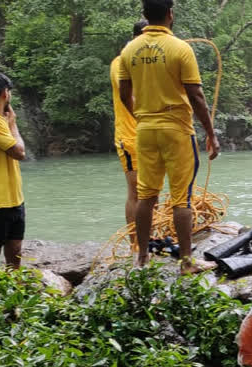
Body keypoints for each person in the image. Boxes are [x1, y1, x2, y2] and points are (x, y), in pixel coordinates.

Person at [118, 0, 220, 273]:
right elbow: (196, 96)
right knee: (181, 199)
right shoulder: (180, 48)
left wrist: (140, 116)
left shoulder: (130, 49)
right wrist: (211, 133)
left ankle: (141, 257)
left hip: (145, 131)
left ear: (144, 15)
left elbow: (123, 92)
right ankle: (186, 262)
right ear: (170, 14)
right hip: (176, 130)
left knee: (146, 196)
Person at [110, 19, 148, 241]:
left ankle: (152, 238)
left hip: (152, 134)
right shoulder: (121, 61)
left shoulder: (147, 63)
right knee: (136, 191)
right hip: (130, 136)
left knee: (153, 191)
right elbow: (128, 96)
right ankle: (136, 243)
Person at [0, 72, 26, 269]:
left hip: (13, 198)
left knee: (15, 249)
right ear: (5, 93)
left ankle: (12, 294)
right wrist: (13, 125)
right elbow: (19, 152)